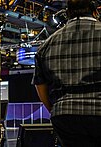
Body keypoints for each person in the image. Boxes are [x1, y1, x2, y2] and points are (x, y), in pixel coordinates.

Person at [32, 0, 101, 146]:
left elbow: (40, 85)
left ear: (68, 14)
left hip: (65, 117)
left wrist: (55, 108)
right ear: (95, 12)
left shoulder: (47, 44)